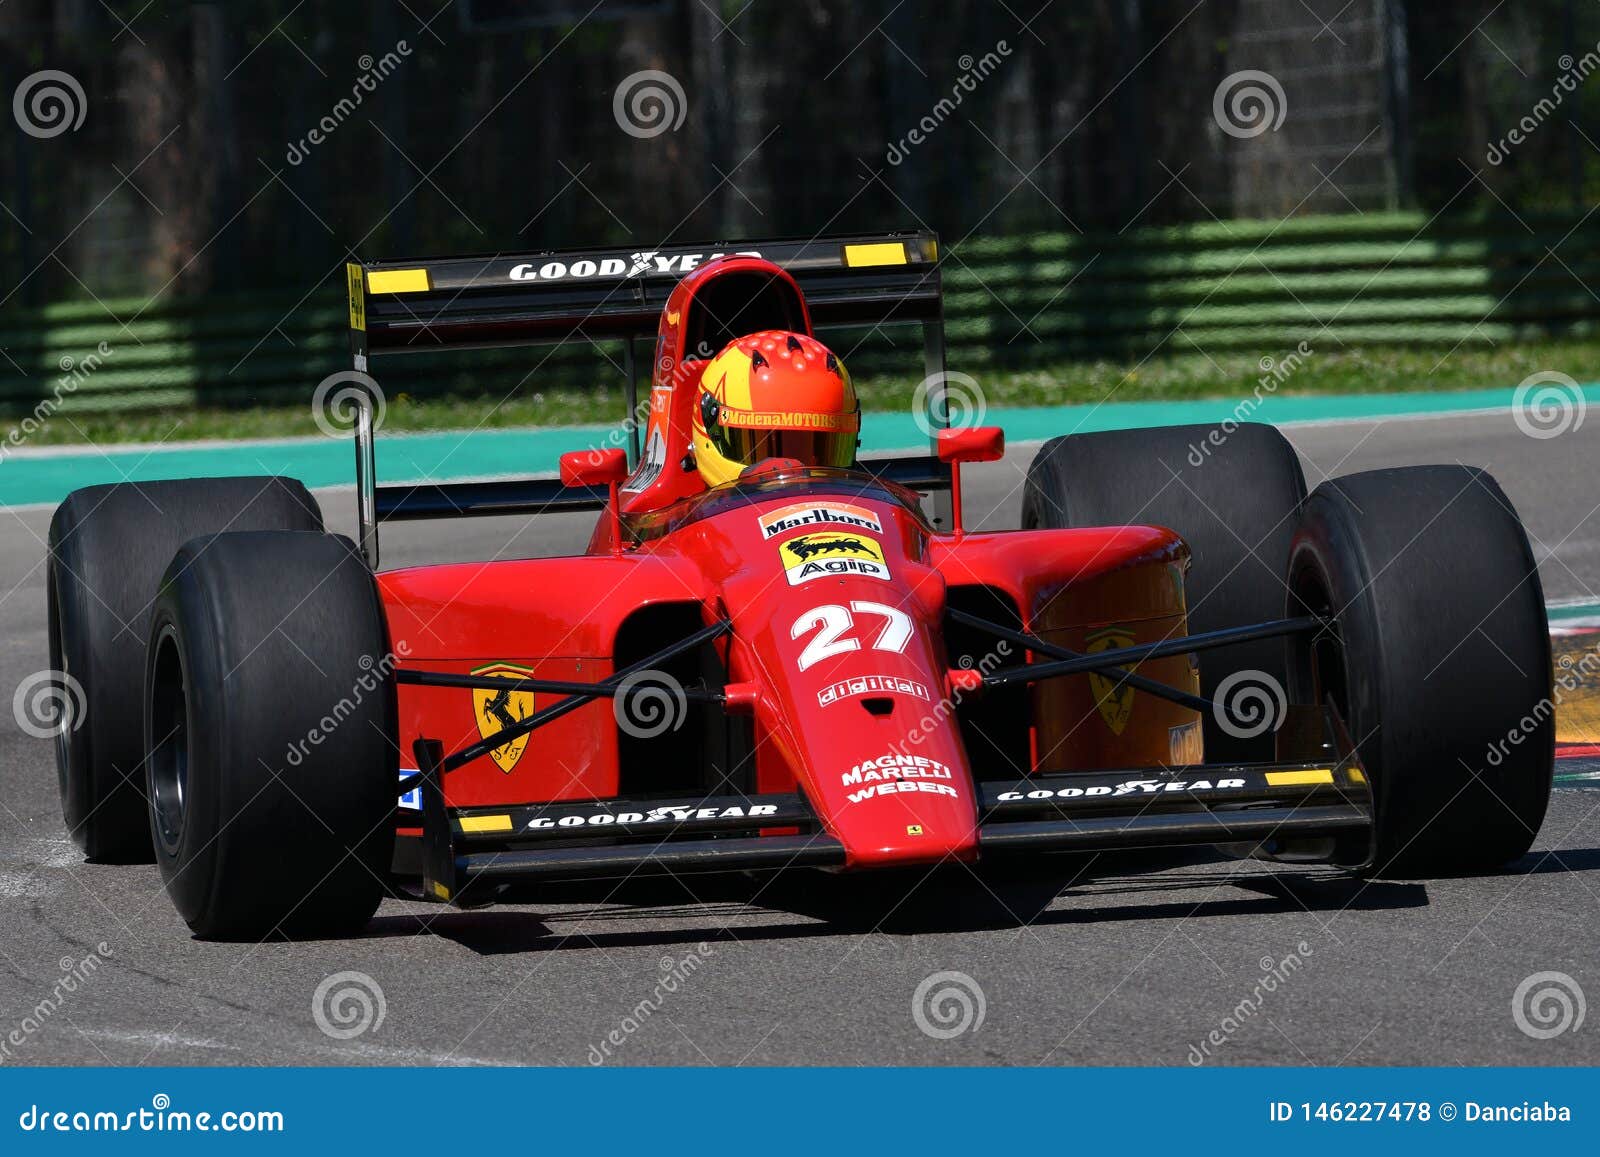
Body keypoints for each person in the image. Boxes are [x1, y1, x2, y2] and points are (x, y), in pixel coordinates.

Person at [690, 330, 860, 488]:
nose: (794, 472)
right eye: (759, 450)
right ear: (709, 427)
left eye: (818, 451)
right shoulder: (677, 520)